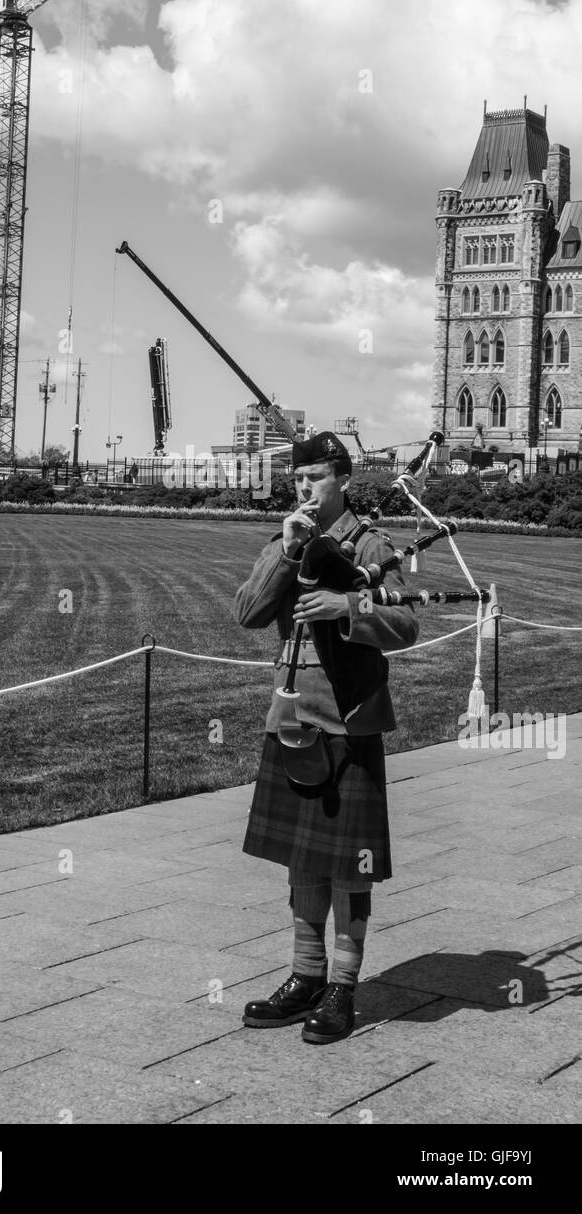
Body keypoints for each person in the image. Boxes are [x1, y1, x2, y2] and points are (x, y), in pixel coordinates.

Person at [234, 430, 419, 1044]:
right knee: (302, 860)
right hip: (292, 719)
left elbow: (406, 624)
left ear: (341, 478)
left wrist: (348, 608)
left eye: (314, 478)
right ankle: (304, 975)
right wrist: (287, 552)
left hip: (350, 720)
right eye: (296, 480)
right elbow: (248, 612)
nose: (304, 489)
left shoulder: (370, 544)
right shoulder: (288, 539)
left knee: (349, 865)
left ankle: (343, 986)